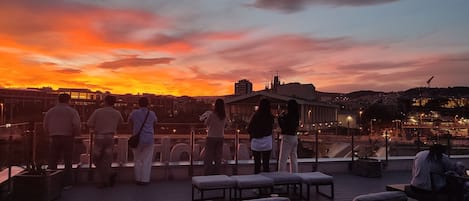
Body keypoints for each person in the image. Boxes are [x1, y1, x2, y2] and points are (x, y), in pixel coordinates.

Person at [43, 93, 81, 189]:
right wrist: (76, 134)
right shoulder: (72, 111)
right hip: (68, 137)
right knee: (68, 161)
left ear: (58, 100)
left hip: (54, 136)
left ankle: (51, 182)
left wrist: (49, 134)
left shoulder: (51, 111)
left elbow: (45, 125)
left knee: (52, 160)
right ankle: (67, 183)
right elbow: (76, 124)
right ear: (69, 100)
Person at [87, 95, 124, 188]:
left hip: (99, 137)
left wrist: (95, 128)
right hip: (110, 137)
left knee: (96, 158)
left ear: (105, 101)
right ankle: (107, 177)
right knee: (107, 160)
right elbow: (121, 123)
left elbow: (89, 123)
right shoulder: (117, 113)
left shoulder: (98, 112)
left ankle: (106, 178)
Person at [128, 97, 157, 185]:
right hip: (149, 139)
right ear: (147, 104)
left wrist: (133, 132)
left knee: (137, 159)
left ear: (138, 104)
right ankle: (145, 180)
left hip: (137, 139)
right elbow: (155, 123)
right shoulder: (152, 113)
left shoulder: (134, 113)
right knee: (147, 160)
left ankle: (138, 179)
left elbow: (129, 121)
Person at [247, 99, 274, 174]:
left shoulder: (255, 116)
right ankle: (267, 183)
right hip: (267, 142)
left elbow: (249, 129)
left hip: (256, 143)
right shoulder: (270, 117)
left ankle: (257, 182)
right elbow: (271, 129)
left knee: (257, 164)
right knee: (266, 164)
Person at [203, 99, 227, 175]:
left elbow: (206, 123)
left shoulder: (212, 114)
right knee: (218, 157)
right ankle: (217, 174)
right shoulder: (224, 115)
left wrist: (205, 118)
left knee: (208, 157)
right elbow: (227, 125)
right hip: (220, 137)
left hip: (211, 137)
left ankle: (207, 175)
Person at [278, 99, 299, 173]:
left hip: (287, 138)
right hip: (294, 137)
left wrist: (280, 118)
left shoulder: (288, 116)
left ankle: (281, 177)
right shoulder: (296, 116)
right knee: (294, 159)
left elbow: (283, 127)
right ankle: (295, 176)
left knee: (282, 160)